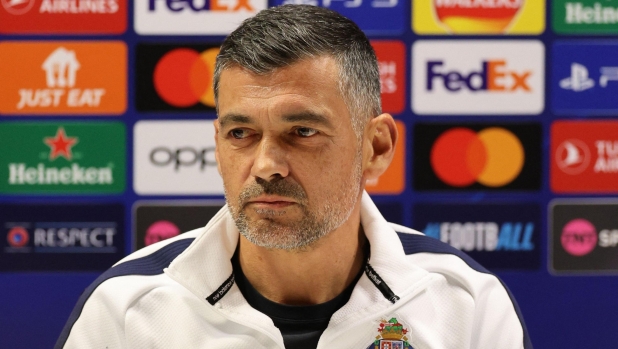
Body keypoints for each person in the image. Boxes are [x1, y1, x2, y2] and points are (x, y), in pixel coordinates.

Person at [55, 5, 531, 349]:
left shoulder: (465, 305)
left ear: (376, 147)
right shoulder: (126, 308)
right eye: (241, 132)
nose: (266, 165)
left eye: (302, 132)